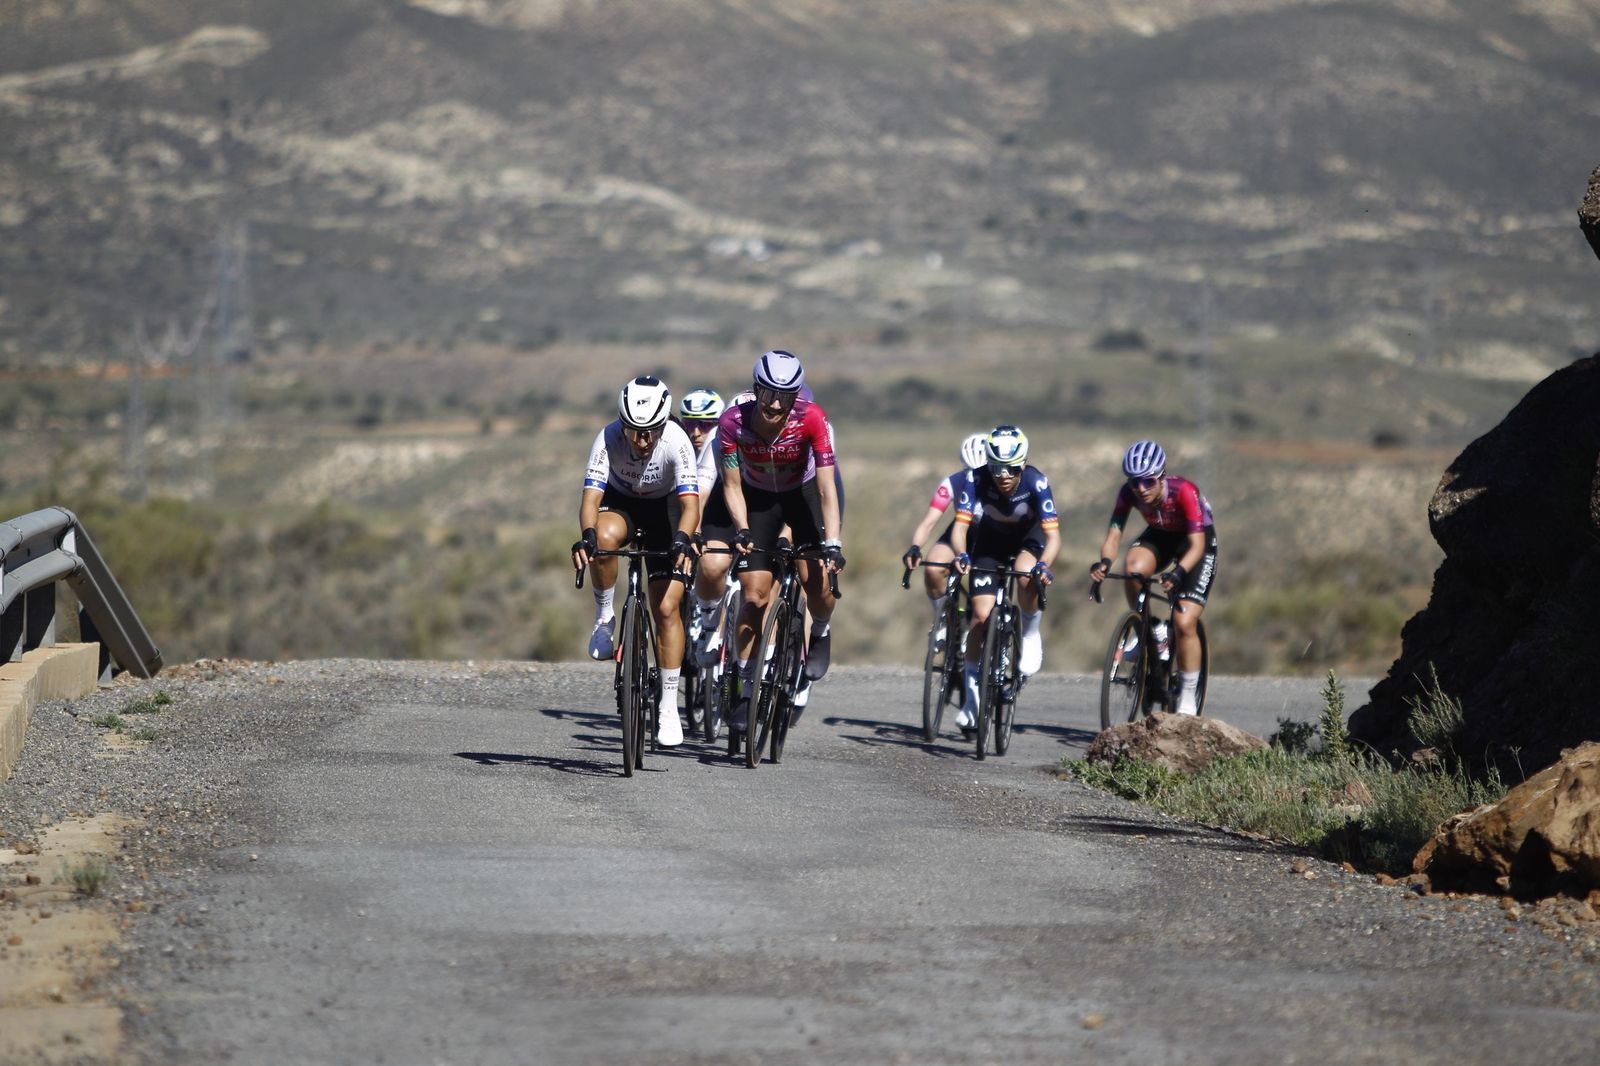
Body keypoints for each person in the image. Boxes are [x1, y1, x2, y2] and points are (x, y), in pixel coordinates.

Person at [570, 376, 701, 747]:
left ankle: (668, 707)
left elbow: (690, 506)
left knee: (666, 608)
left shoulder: (676, 442)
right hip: (623, 503)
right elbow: (590, 500)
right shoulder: (608, 437)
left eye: (650, 432)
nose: (642, 442)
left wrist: (682, 540)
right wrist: (588, 536)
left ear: (663, 425)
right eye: (634, 431)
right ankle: (604, 617)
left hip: (665, 512)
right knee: (605, 540)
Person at [718, 350, 845, 728]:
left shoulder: (812, 419)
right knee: (754, 595)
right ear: (755, 389)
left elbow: (826, 488)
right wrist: (741, 527)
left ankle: (819, 632)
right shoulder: (732, 423)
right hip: (758, 501)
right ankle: (743, 681)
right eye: (768, 392)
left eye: (785, 395)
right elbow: (731, 483)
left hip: (803, 495)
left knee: (818, 583)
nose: (775, 403)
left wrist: (833, 543)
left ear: (796, 396)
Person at [1088, 439, 1217, 716]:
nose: (1141, 489)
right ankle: (1150, 628)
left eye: (1148, 482)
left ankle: (1186, 693)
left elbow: (1196, 546)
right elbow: (1114, 535)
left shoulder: (1185, 491)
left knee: (1184, 622)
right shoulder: (1128, 493)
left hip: (1195, 543)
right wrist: (1104, 562)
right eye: (1135, 483)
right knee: (1133, 568)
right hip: (1160, 536)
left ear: (1161, 476)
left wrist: (1179, 571)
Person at [950, 425, 1059, 733]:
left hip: (1029, 539)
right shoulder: (976, 478)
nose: (1003, 476)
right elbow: (960, 528)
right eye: (996, 467)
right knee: (980, 618)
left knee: (1026, 574)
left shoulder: (1037, 481)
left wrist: (1046, 565)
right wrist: (961, 554)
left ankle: (1030, 634)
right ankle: (971, 701)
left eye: (1011, 469)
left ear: (1022, 463)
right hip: (991, 543)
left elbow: (1053, 537)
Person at [901, 432, 988, 651]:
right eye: (968, 470)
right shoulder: (952, 482)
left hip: (991, 535)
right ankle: (944, 622)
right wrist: (915, 547)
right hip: (962, 530)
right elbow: (929, 521)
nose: (973, 477)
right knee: (933, 567)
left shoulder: (1000, 485)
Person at [678, 388, 736, 664]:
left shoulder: (720, 441)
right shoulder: (679, 448)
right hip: (707, 510)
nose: (696, 432)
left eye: (705, 424)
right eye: (689, 424)